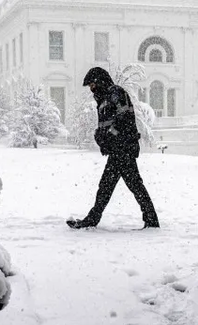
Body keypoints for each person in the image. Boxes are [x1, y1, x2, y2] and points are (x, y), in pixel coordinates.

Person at [67, 67, 160, 229]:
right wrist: (100, 136)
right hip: (117, 150)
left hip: (124, 148)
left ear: (100, 81)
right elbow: (106, 124)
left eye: (92, 84)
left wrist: (110, 135)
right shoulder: (103, 100)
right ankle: (150, 220)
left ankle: (150, 221)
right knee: (115, 186)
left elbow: (125, 118)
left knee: (120, 186)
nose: (91, 88)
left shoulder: (116, 93)